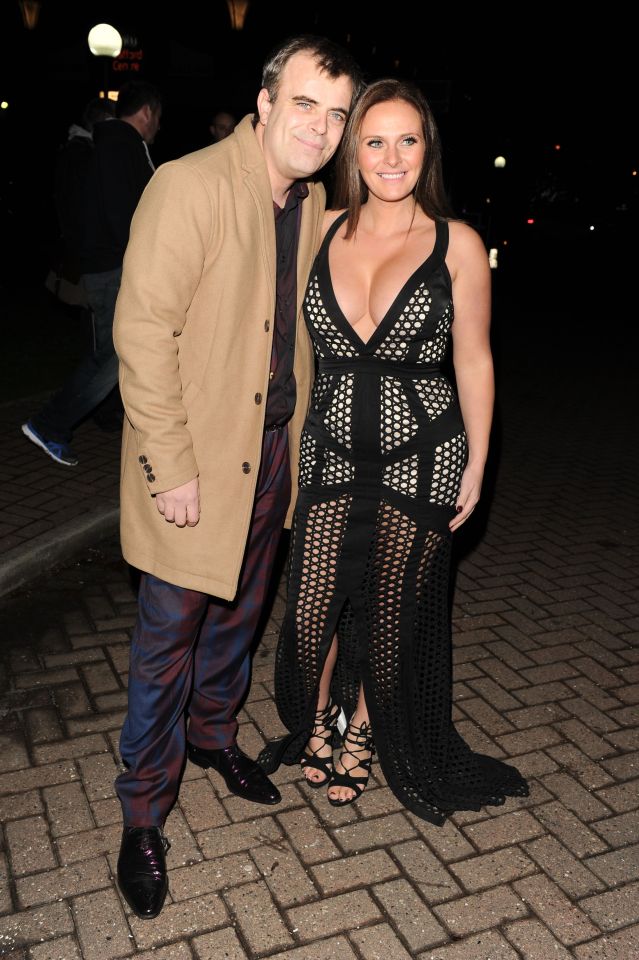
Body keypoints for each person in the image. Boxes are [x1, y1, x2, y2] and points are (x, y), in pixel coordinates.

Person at [112, 36, 363, 919]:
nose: (320, 128)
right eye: (305, 104)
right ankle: (143, 813)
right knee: (166, 644)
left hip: (273, 459)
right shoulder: (188, 185)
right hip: (197, 465)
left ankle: (214, 737)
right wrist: (169, 468)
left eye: (336, 113)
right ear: (263, 102)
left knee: (239, 618)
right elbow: (141, 335)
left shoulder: (314, 202)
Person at [258, 78, 529, 822]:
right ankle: (316, 722)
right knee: (310, 614)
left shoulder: (457, 243)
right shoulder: (319, 226)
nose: (390, 155)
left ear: (426, 149)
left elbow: (473, 359)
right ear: (352, 150)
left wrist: (477, 462)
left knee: (390, 614)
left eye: (406, 139)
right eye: (373, 140)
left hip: (425, 454)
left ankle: (362, 736)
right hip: (329, 453)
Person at [21, 81, 162, 466]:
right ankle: (51, 423)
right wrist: (141, 257)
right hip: (113, 268)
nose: (157, 127)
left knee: (116, 353)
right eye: (158, 118)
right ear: (148, 112)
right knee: (115, 355)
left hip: (107, 265)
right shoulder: (118, 145)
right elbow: (121, 214)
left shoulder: (109, 145)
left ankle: (65, 423)